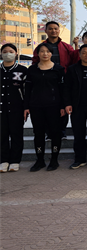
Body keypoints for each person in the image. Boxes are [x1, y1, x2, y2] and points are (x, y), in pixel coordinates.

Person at [24, 42, 66, 171]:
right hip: (36, 106)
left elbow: (63, 89)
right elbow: (27, 89)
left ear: (51, 53)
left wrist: (63, 106)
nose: (45, 54)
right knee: (38, 133)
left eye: (47, 51)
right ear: (38, 53)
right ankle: (40, 160)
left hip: (54, 106)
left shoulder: (58, 69)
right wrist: (26, 106)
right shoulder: (32, 70)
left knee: (55, 133)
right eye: (42, 51)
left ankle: (54, 160)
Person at [0, 43, 28, 173]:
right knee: (2, 135)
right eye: (5, 51)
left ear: (16, 53)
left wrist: (26, 107)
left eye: (11, 51)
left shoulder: (22, 70)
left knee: (16, 135)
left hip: (17, 108)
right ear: (1, 54)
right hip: (1, 109)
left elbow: (26, 91)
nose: (8, 54)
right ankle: (3, 160)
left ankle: (15, 161)